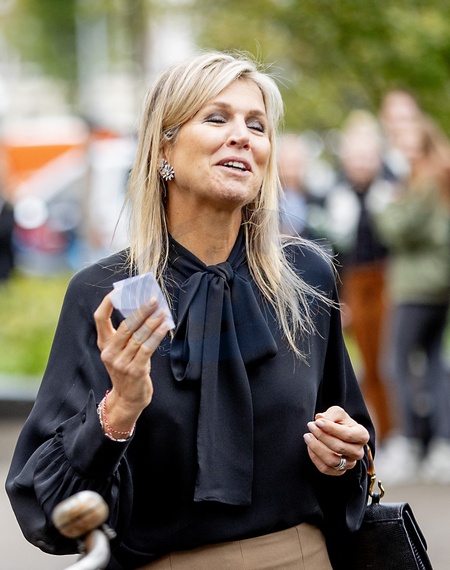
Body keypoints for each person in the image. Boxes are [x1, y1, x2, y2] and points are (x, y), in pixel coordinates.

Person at [6, 51, 373, 570]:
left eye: (257, 125)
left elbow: (352, 439)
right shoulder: (111, 294)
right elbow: (46, 510)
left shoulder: (304, 277)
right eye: (217, 118)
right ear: (164, 148)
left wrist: (344, 455)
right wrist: (118, 411)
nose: (242, 136)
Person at [375, 114, 450, 484]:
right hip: (437, 286)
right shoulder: (440, 178)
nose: (403, 154)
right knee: (434, 363)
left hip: (417, 287)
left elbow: (397, 229)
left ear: (423, 148)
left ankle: (408, 442)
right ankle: (441, 444)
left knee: (395, 362)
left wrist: (386, 204)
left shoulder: (424, 181)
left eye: (409, 147)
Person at [323, 110, 399, 444]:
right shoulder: (336, 193)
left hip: (388, 277)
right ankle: (384, 429)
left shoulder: (391, 188)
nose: (362, 163)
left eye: (368, 156)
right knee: (365, 358)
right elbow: (334, 251)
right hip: (355, 280)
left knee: (390, 357)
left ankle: (402, 430)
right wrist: (340, 297)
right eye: (356, 156)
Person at [277, 132, 327, 240]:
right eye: (287, 164)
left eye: (295, 164)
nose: (290, 172)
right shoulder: (266, 201)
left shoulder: (316, 201)